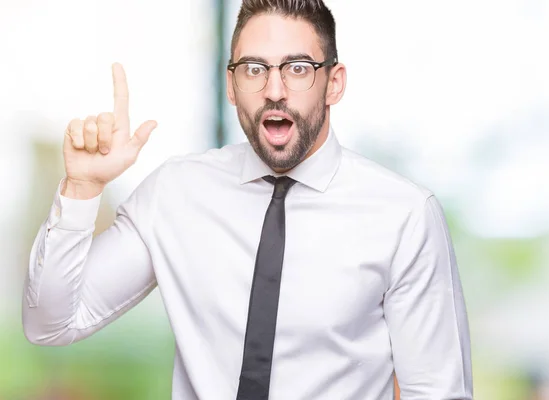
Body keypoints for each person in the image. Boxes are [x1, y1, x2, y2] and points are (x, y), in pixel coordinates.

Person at [22, 0, 473, 399]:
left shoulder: (404, 216)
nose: (274, 90)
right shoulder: (176, 193)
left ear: (334, 83)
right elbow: (50, 324)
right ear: (232, 85)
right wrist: (81, 191)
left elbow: (436, 390)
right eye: (255, 69)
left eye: (298, 67)